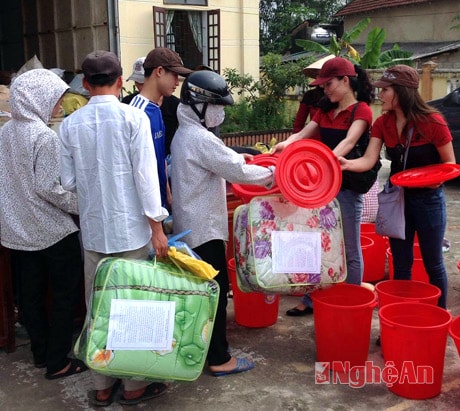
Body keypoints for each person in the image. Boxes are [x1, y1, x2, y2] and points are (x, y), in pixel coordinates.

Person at [60, 50, 169, 406]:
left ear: (86, 84)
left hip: (94, 234)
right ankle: (135, 385)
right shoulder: (132, 119)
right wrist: (157, 227)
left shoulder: (70, 124)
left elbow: (68, 180)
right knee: (134, 307)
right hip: (132, 234)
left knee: (99, 308)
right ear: (121, 81)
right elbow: (145, 180)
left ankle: (103, 385)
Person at [170, 70, 276, 376]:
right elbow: (237, 171)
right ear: (200, 105)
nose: (222, 113)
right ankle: (218, 358)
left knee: (203, 293)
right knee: (215, 293)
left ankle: (203, 351)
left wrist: (247, 157)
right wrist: (276, 174)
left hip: (192, 225)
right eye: (218, 106)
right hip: (204, 230)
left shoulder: (186, 131)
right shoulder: (199, 137)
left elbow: (227, 158)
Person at [339, 65, 454, 309]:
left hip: (429, 200)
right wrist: (345, 164)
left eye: (386, 89)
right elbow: (369, 160)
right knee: (400, 264)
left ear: (402, 91)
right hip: (398, 201)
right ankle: (402, 313)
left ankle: (437, 316)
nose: (381, 94)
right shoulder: (383, 123)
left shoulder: (433, 122)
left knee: (433, 263)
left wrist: (436, 181)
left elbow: (449, 163)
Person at [0, 69, 87, 379]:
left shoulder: (5, 132)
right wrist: (85, 206)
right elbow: (51, 188)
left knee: (31, 296)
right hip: (51, 230)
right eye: (55, 100)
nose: (59, 106)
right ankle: (58, 361)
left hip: (18, 231)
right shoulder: (43, 136)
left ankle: (40, 353)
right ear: (38, 99)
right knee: (66, 295)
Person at [272, 57, 375, 316]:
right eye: (323, 85)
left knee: (349, 247)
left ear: (345, 80)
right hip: (321, 187)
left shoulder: (361, 110)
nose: (325, 89)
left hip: (346, 186)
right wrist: (285, 145)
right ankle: (311, 299)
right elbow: (302, 133)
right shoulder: (325, 109)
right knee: (317, 244)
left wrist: (325, 165)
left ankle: (351, 301)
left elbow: (349, 143)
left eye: (329, 84)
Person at [129, 48, 190, 210]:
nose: (177, 82)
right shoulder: (137, 112)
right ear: (160, 71)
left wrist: (167, 194)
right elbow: (137, 170)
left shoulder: (155, 109)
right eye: (175, 75)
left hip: (158, 203)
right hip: (144, 209)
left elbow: (159, 156)